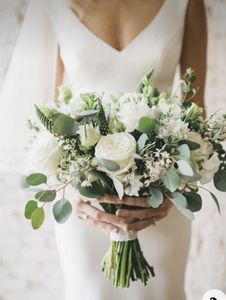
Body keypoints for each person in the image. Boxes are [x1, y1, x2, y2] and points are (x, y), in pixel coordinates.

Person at [0, 0, 207, 299]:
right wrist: (69, 191)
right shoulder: (53, 4)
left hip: (161, 201)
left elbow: (195, 111)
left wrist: (174, 192)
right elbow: (40, 117)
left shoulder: (187, 3)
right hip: (85, 202)